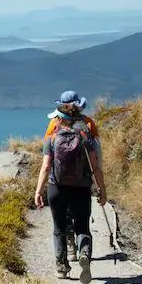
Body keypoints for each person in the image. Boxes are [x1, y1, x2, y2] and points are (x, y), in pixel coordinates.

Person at [34, 103, 107, 284]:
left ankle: (62, 268)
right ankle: (84, 253)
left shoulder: (51, 139)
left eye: (55, 118)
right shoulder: (85, 137)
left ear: (60, 119)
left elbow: (45, 167)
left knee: (59, 229)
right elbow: (95, 166)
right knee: (82, 227)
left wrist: (38, 191)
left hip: (56, 188)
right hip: (81, 188)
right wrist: (102, 189)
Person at [43, 91, 102, 262]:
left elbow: (47, 153)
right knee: (82, 219)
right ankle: (83, 251)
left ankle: (68, 251)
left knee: (63, 218)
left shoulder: (54, 123)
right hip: (82, 181)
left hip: (58, 181)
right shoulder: (88, 123)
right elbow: (97, 155)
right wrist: (100, 184)